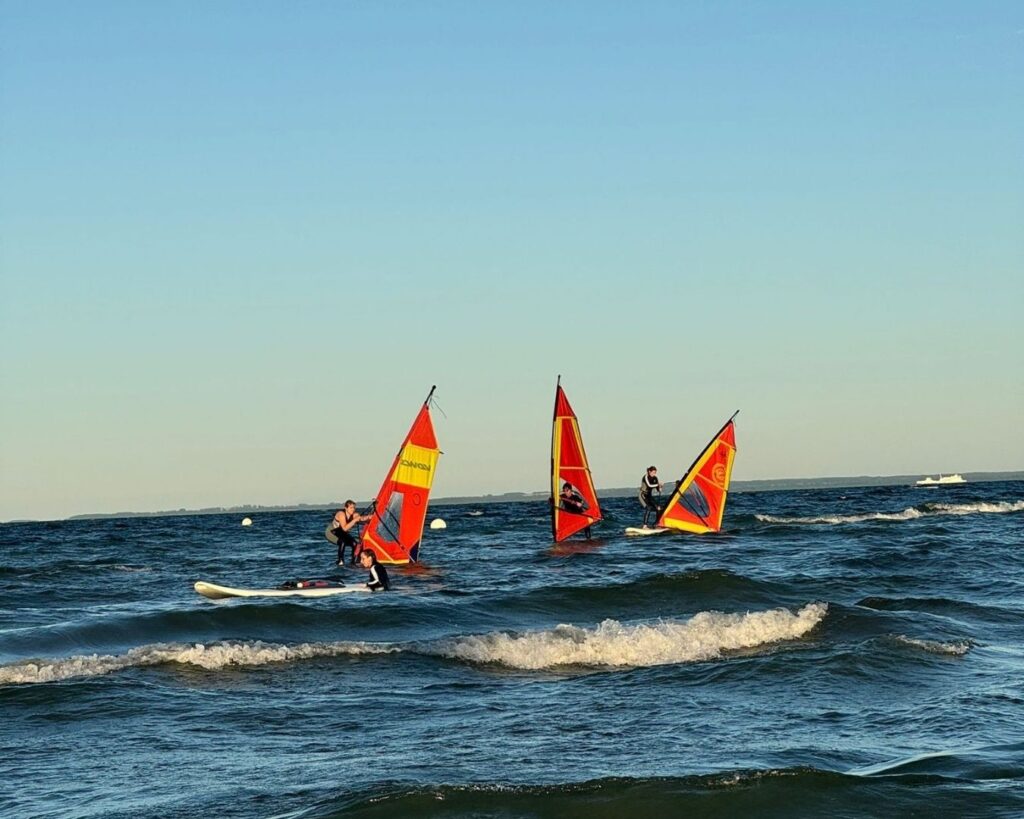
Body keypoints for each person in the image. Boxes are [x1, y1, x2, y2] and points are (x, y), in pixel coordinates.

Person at [330, 500, 372, 566]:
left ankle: (353, 562)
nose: (353, 509)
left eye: (354, 508)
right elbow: (345, 528)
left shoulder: (354, 514)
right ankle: (340, 561)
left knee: (355, 544)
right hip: (333, 531)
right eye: (351, 508)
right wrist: (355, 520)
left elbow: (361, 518)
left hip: (342, 533)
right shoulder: (341, 514)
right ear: (346, 508)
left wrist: (369, 517)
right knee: (342, 541)